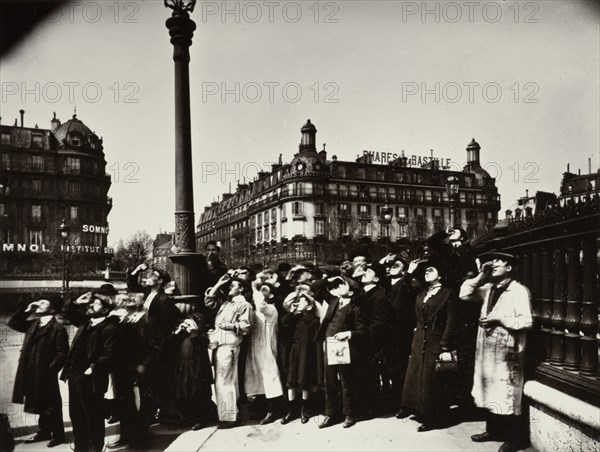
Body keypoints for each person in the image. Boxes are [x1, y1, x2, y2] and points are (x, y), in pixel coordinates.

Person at [459, 252, 533, 452]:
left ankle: (514, 438)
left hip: (507, 350)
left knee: (507, 393)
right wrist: (480, 276)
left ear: (510, 268)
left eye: (499, 262)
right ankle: (493, 430)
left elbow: (526, 321)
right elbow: (464, 294)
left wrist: (500, 320)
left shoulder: (518, 291)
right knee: (489, 389)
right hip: (488, 348)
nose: (494, 264)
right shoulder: (489, 288)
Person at [400, 257, 458, 432]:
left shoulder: (448, 293)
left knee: (431, 379)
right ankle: (419, 409)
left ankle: (433, 417)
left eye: (431, 270)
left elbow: (451, 320)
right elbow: (402, 292)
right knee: (417, 375)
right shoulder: (422, 293)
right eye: (425, 271)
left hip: (436, 339)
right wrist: (409, 272)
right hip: (419, 339)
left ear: (441, 275)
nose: (427, 272)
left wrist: (445, 344)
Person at [127, 263, 183, 433]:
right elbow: (132, 287)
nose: (147, 277)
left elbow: (166, 328)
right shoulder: (147, 294)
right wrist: (136, 270)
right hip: (144, 345)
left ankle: (167, 416)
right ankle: (150, 414)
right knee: (147, 383)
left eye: (151, 275)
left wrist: (157, 348)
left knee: (157, 383)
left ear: (159, 281)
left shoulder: (164, 300)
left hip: (155, 348)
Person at [61, 293, 117, 452]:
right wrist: (77, 301)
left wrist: (92, 368)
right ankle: (81, 448)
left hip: (92, 379)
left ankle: (96, 448)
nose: (91, 305)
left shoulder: (109, 328)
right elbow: (67, 314)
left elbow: (109, 355)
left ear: (105, 309)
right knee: (76, 415)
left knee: (93, 416)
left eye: (96, 304)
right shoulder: (86, 322)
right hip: (75, 376)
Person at [9, 295, 68, 448]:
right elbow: (13, 322)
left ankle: (58, 435)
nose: (39, 304)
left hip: (45, 373)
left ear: (53, 308)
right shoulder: (35, 323)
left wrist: (50, 371)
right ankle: (44, 431)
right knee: (39, 402)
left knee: (52, 404)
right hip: (30, 370)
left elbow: (62, 354)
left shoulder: (58, 328)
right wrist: (26, 310)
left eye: (43, 302)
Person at [315, 277, 366, 429]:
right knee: (329, 381)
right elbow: (317, 286)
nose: (339, 285)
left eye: (343, 284)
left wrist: (349, 334)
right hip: (330, 346)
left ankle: (349, 414)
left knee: (346, 381)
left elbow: (363, 330)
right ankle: (330, 414)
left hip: (345, 348)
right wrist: (332, 278)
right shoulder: (334, 301)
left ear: (351, 292)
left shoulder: (356, 308)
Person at [208, 276, 253, 429]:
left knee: (224, 382)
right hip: (220, 346)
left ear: (241, 288)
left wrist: (227, 325)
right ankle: (231, 414)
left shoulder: (244, 305)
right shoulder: (227, 303)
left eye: (232, 286)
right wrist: (219, 283)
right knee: (224, 381)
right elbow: (209, 300)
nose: (229, 288)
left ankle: (229, 417)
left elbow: (246, 327)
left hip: (229, 346)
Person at [381, 255, 419, 418]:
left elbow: (405, 293)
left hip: (400, 332)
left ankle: (403, 404)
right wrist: (382, 262)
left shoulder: (409, 283)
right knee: (387, 368)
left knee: (399, 369)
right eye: (389, 266)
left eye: (396, 265)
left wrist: (408, 275)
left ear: (404, 269)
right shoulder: (384, 283)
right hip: (385, 332)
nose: (391, 267)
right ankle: (390, 400)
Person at [244, 278, 284, 425]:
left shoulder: (271, 309)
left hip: (266, 346)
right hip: (255, 345)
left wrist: (254, 288)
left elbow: (260, 305)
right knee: (257, 376)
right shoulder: (256, 308)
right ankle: (261, 407)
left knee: (269, 376)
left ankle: (274, 410)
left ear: (271, 296)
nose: (261, 292)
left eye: (265, 290)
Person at [280, 291, 323, 425]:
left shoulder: (314, 321)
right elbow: (284, 324)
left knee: (304, 381)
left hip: (306, 354)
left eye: (302, 301)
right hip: (294, 353)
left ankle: (305, 408)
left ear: (310, 306)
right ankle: (291, 410)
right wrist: (291, 312)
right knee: (291, 382)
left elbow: (315, 342)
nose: (298, 303)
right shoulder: (295, 318)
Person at [171, 313, 214, 431]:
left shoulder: (200, 338)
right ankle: (187, 417)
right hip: (184, 367)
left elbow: (202, 343)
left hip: (196, 369)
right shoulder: (184, 336)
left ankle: (200, 419)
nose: (186, 326)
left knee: (197, 394)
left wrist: (195, 330)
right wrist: (179, 331)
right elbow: (171, 343)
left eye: (189, 324)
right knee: (183, 394)